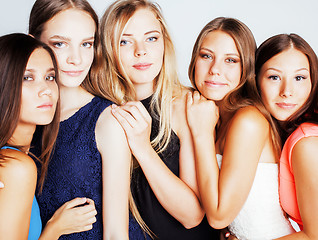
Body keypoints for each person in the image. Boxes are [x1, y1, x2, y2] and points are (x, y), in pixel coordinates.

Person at [99, 0, 219, 239]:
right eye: (125, 41)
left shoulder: (186, 105)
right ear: (108, 49)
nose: (140, 51)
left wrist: (142, 148)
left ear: (164, 43)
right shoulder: (104, 112)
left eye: (151, 38)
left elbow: (192, 215)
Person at [29, 0, 134, 239]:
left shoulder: (107, 120)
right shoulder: (23, 118)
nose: (76, 59)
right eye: (60, 44)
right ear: (32, 43)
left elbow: (117, 233)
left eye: (86, 44)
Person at [185, 17, 295, 239]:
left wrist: (202, 134)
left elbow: (217, 216)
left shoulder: (248, 120)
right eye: (206, 56)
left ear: (246, 67)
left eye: (231, 60)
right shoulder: (218, 116)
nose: (215, 69)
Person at [0, 33, 96, 240]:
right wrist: (55, 229)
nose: (46, 90)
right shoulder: (15, 166)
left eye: (50, 77)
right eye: (27, 78)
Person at [255, 33, 318, 239]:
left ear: (314, 82)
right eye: (274, 77)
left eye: (299, 78)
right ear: (255, 80)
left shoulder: (306, 142)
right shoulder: (287, 133)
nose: (287, 91)